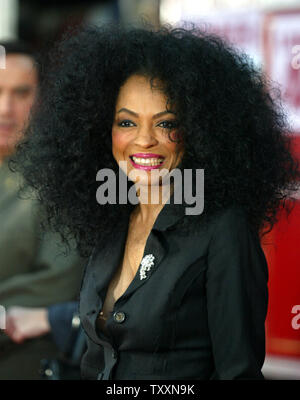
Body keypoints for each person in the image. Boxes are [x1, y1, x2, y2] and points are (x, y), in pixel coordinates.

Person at [11, 25, 300, 380]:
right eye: (127, 121)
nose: (144, 140)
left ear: (201, 131)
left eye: (166, 124)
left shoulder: (222, 228)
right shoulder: (111, 218)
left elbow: (238, 372)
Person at [0, 40, 85, 379]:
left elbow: (58, 283)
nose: (5, 107)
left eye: (21, 93)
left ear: (42, 100)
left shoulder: (60, 177)